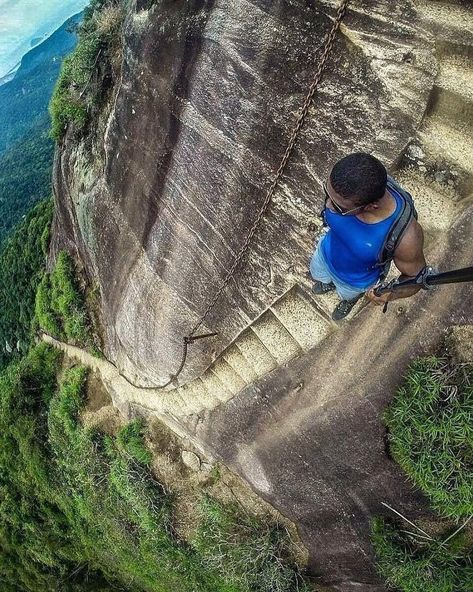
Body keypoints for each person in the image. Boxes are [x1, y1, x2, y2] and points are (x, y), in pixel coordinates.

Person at [309, 152, 426, 321]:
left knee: (348, 295)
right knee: (320, 275)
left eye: (339, 207)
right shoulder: (344, 189)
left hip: (354, 282)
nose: (328, 206)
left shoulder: (406, 237)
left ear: (372, 206)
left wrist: (391, 294)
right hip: (324, 254)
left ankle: (349, 301)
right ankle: (326, 283)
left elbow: (416, 277)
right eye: (327, 192)